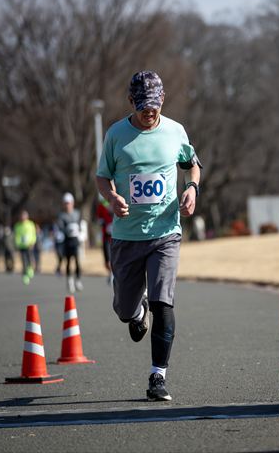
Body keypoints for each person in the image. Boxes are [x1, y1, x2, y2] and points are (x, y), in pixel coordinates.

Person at [96, 70, 201, 402]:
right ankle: (137, 313)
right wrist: (111, 198)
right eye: (142, 106)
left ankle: (158, 376)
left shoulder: (175, 131)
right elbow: (102, 177)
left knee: (163, 302)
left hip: (165, 233)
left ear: (163, 100)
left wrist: (192, 188)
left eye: (154, 105)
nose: (149, 112)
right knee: (124, 310)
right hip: (127, 236)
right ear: (131, 101)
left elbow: (192, 164)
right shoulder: (116, 135)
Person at [57, 193, 83, 293]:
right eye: (66, 203)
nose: (67, 205)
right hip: (67, 240)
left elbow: (80, 225)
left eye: (69, 203)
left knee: (77, 261)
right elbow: (60, 227)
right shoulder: (62, 216)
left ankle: (78, 280)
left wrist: (78, 231)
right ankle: (69, 280)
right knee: (68, 261)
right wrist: (67, 229)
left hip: (75, 240)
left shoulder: (77, 213)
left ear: (72, 203)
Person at [13, 210, 37, 285]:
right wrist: (17, 244)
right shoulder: (17, 225)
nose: (23, 217)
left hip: (29, 245)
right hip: (21, 246)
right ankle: (25, 276)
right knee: (23, 260)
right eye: (22, 216)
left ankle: (30, 270)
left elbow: (33, 234)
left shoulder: (30, 224)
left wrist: (32, 242)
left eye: (24, 216)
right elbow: (16, 236)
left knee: (30, 258)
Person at [95, 197, 114, 284]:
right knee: (107, 261)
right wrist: (102, 222)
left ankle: (113, 275)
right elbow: (99, 218)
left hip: (116, 237)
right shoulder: (101, 205)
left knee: (115, 258)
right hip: (106, 237)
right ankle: (111, 273)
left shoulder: (115, 201)